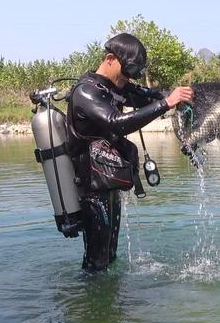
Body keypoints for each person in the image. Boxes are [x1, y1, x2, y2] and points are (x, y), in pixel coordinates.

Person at [65, 33, 193, 272]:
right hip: (92, 190)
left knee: (110, 256)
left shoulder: (114, 88)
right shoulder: (86, 92)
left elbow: (148, 97)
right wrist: (166, 104)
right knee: (97, 261)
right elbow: (117, 122)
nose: (127, 80)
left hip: (107, 183)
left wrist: (174, 97)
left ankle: (112, 303)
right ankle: (93, 307)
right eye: (126, 73)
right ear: (110, 59)